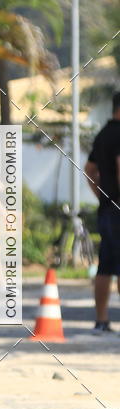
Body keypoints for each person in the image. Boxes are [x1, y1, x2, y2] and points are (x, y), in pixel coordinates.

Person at [84, 90, 120, 334]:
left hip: (107, 208)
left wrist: (100, 194)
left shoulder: (103, 134)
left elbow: (89, 169)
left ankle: (101, 319)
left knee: (105, 265)